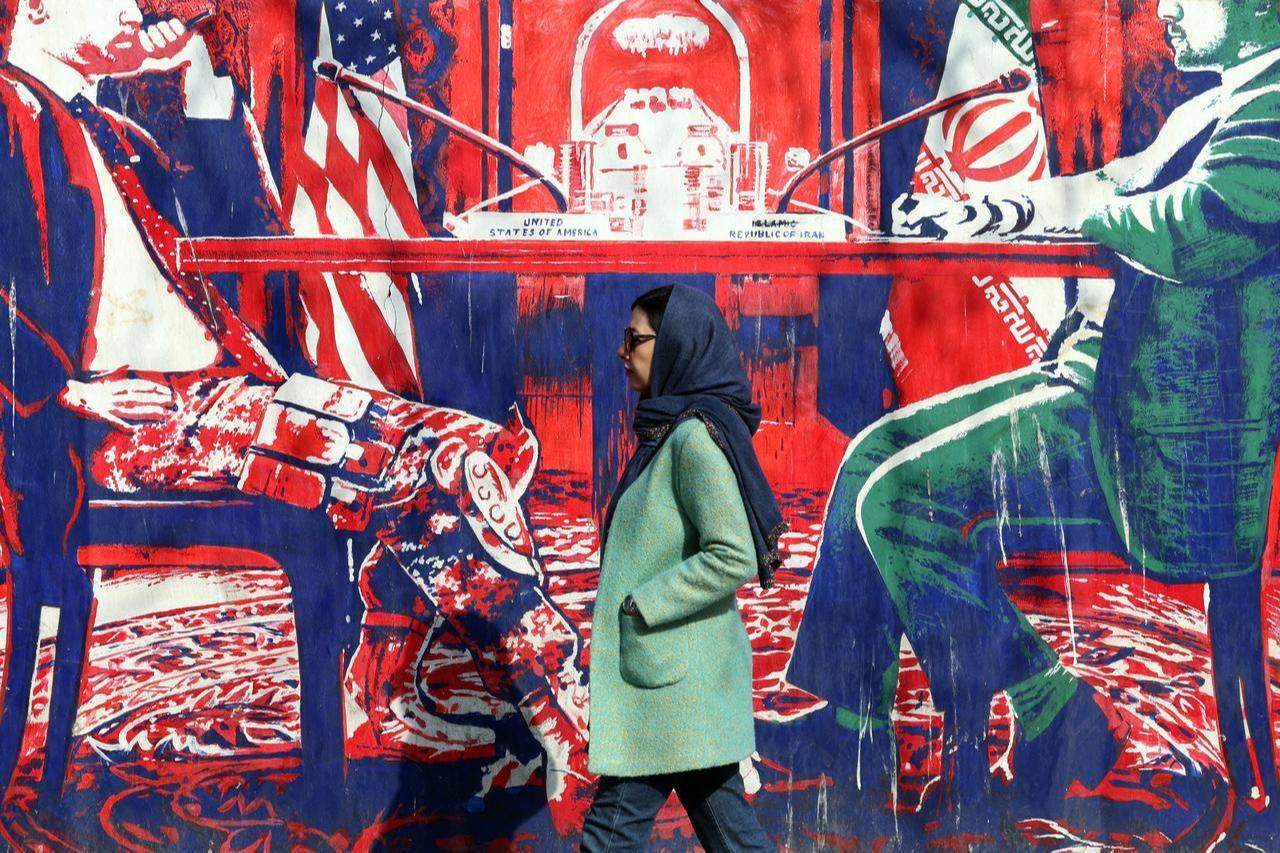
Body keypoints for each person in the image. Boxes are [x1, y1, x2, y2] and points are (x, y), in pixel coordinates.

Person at [0, 0, 592, 835]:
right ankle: (563, 714)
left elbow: (241, 222)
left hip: (219, 396)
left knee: (470, 447)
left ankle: (385, 683)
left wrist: (197, 81)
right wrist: (67, 391)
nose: (138, 6)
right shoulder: (10, 109)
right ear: (36, 6)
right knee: (438, 460)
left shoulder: (116, 132)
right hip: (117, 424)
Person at [788, 0, 1280, 842]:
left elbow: (1197, 230)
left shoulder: (1272, 108)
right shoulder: (1218, 100)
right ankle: (851, 725)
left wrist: (1092, 214)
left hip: (1152, 439)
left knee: (899, 500)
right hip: (1097, 384)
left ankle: (1050, 705)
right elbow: (1117, 188)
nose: (1164, 9)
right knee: (874, 451)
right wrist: (993, 211)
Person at [580, 284, 784, 851]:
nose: (622, 351)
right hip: (671, 682)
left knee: (609, 837)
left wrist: (642, 603)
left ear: (674, 345)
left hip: (670, 684)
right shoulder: (665, 434)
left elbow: (734, 552)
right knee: (728, 836)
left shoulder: (692, 439)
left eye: (635, 339)